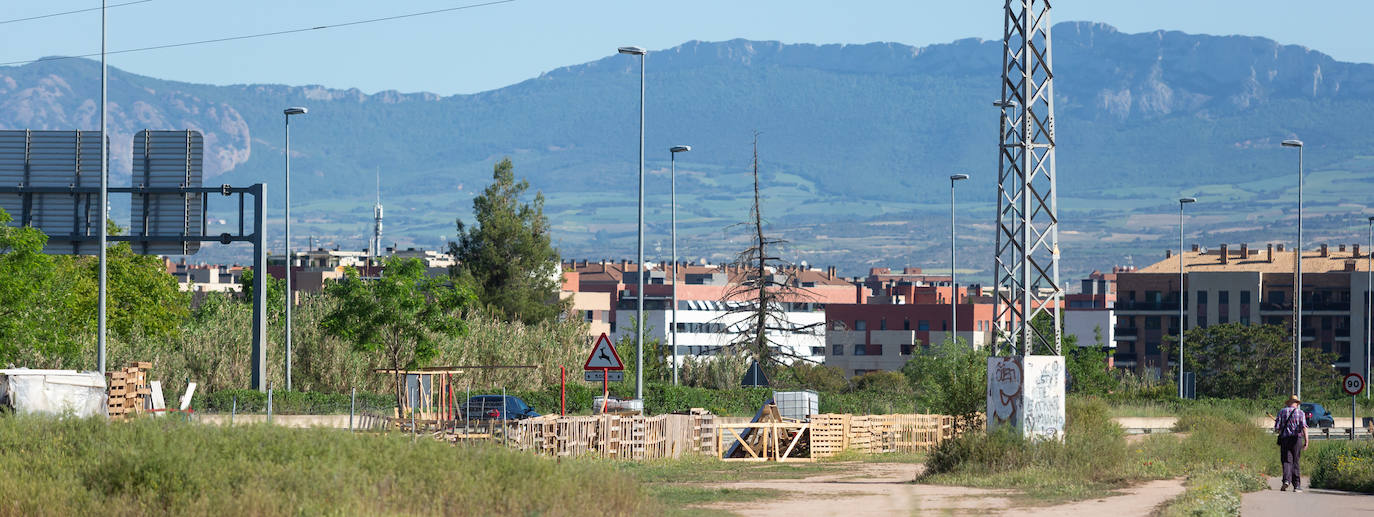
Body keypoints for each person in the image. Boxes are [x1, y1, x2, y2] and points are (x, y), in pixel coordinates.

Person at [1273, 395, 1309, 492]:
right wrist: (1306, 441)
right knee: (1295, 461)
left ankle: (1286, 480)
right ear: (1296, 403)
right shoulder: (1301, 413)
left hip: (1285, 439)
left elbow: (1277, 428)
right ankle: (1296, 485)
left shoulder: (1281, 412)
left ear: (1288, 402)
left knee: (1286, 460)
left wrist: (1281, 427)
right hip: (1297, 439)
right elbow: (1304, 427)